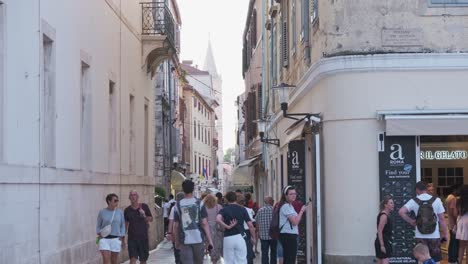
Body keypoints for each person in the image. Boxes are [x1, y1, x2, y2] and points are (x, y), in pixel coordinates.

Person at [398, 181, 447, 264]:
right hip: (434, 236)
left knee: (421, 260)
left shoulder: (414, 201)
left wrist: (410, 221)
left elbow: (401, 211)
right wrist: (445, 234)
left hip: (420, 235)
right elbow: (442, 219)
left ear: (417, 190)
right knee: (436, 260)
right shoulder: (437, 200)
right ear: (426, 189)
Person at [173, 180, 214, 264]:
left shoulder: (178, 205)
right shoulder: (200, 204)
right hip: (198, 239)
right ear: (193, 189)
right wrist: (210, 240)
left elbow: (176, 225)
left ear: (183, 189)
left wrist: (176, 241)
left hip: (184, 240)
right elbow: (204, 223)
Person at [217, 191, 256, 264]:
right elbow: (250, 225)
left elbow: (218, 219)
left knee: (229, 261)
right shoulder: (242, 209)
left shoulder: (224, 209)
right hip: (240, 237)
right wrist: (253, 238)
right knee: (241, 260)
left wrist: (227, 226)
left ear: (227, 199)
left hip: (228, 238)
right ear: (235, 198)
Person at [278, 185, 307, 264]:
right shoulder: (286, 206)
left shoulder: (290, 206)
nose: (294, 195)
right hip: (288, 235)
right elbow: (295, 222)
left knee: (289, 259)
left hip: (290, 235)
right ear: (285, 195)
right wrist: (301, 211)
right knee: (290, 259)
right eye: (291, 194)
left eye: (294, 193)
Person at [124, 190, 153, 264]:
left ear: (137, 197)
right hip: (132, 239)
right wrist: (122, 238)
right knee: (132, 259)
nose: (133, 196)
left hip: (143, 238)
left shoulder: (144, 206)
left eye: (134, 195)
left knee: (143, 260)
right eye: (131, 195)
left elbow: (151, 219)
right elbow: (125, 224)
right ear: (129, 197)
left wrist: (144, 215)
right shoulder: (127, 210)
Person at [96, 193, 126, 264]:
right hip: (104, 239)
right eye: (115, 200)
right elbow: (98, 225)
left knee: (114, 261)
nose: (117, 202)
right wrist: (98, 232)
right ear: (109, 201)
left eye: (117, 200)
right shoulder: (102, 212)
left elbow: (122, 225)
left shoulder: (120, 212)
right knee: (106, 261)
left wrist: (122, 236)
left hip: (115, 239)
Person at [203, 194, 224, 264]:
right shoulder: (219, 207)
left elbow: (202, 221)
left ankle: (212, 257)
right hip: (217, 229)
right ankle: (216, 257)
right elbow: (222, 219)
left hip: (207, 229)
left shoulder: (204, 208)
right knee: (218, 244)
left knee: (209, 244)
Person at [255, 196, 277, 264]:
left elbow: (257, 222)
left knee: (264, 253)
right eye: (273, 200)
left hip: (263, 236)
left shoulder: (260, 210)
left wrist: (258, 232)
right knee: (273, 253)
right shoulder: (274, 210)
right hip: (273, 235)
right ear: (271, 202)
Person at [374, 195, 394, 264]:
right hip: (383, 242)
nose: (393, 205)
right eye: (391, 203)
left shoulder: (386, 215)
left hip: (383, 241)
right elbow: (379, 231)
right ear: (386, 205)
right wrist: (382, 245)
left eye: (393, 203)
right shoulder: (384, 216)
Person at [237, 194, 256, 264]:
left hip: (237, 232)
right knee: (248, 252)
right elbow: (251, 225)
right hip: (247, 232)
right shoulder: (249, 210)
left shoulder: (232, 210)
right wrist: (254, 237)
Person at [167, 192, 185, 264]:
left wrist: (169, 233)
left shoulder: (174, 208)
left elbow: (171, 222)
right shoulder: (188, 206)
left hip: (176, 233)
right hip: (186, 234)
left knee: (177, 253)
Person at [446, 184, 461, 264]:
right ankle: (453, 259)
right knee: (455, 243)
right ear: (455, 190)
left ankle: (451, 259)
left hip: (450, 223)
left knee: (452, 242)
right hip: (454, 224)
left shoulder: (448, 197)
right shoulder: (453, 199)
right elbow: (454, 213)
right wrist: (457, 222)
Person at [457, 185, 468, 264]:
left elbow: (458, 212)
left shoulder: (458, 200)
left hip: (461, 220)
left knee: (461, 246)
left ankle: (459, 261)